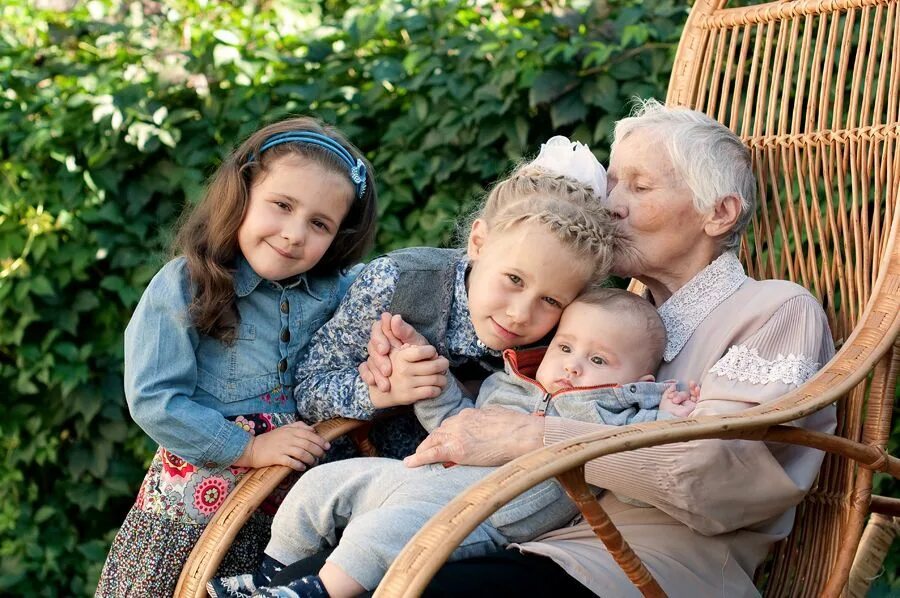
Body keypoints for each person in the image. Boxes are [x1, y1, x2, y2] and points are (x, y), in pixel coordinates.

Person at [271, 99, 837, 597]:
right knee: (322, 571)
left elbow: (720, 476)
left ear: (720, 212)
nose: (612, 205)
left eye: (639, 188)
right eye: (613, 184)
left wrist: (532, 438)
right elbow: (507, 397)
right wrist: (404, 376)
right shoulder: (605, 314)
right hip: (516, 533)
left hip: (637, 571)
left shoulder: (775, 309)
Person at [206, 136, 620, 597]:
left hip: (471, 502)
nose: (522, 313)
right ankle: (272, 579)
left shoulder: (565, 337)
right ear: (479, 242)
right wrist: (382, 392)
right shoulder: (398, 284)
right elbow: (307, 388)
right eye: (514, 280)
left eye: (550, 299)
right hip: (367, 469)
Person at [226, 288, 700, 598]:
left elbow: (639, 478)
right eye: (566, 348)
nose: (573, 366)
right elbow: (455, 423)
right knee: (320, 485)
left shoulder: (616, 418)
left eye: (598, 359)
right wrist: (428, 371)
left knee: (379, 536)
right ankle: (272, 575)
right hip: (414, 475)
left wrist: (663, 413)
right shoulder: (514, 384)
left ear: (638, 380)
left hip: (476, 517)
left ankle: (317, 593)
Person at [95, 117, 378, 597]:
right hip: (197, 514)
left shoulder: (340, 295)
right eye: (282, 206)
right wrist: (247, 449)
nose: (293, 234)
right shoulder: (188, 283)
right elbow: (154, 398)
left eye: (319, 223)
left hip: (293, 514)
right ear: (243, 194)